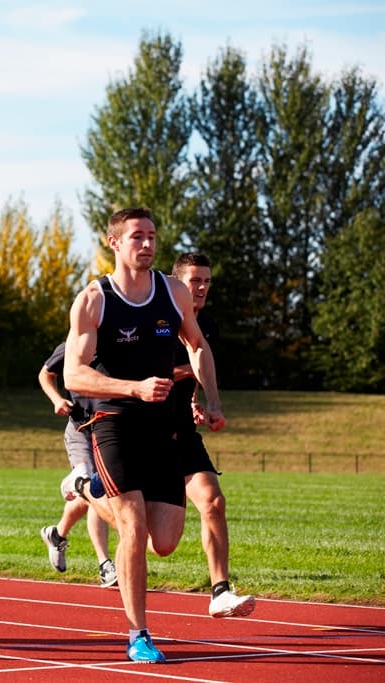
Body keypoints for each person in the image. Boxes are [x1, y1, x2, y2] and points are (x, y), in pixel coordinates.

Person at [64, 207, 226, 664]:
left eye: (153, 236)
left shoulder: (173, 293)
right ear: (115, 242)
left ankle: (82, 490)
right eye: (138, 236)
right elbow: (75, 374)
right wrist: (131, 387)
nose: (148, 244)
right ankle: (139, 634)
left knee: (164, 542)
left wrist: (211, 400)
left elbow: (197, 345)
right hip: (112, 423)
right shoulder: (95, 299)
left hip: (162, 428)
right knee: (132, 527)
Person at [170, 252, 255, 618]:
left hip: (182, 431)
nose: (202, 287)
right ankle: (86, 492)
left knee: (213, 502)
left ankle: (220, 590)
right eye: (195, 281)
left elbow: (196, 362)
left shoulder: (207, 327)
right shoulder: (157, 318)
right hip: (142, 433)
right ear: (178, 284)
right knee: (157, 540)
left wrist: (202, 404)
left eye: (206, 281)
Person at [37, 342, 117, 588]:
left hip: (112, 429)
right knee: (95, 489)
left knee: (89, 494)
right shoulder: (73, 344)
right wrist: (57, 399)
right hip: (81, 429)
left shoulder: (120, 342)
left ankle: (57, 534)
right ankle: (105, 565)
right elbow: (45, 374)